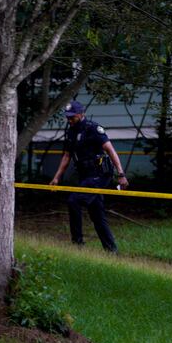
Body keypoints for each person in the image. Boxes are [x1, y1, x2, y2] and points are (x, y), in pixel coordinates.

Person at [50, 101, 129, 253]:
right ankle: (112, 250)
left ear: (81, 114)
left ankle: (77, 244)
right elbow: (67, 156)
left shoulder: (93, 129)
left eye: (72, 117)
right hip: (85, 175)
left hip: (99, 174)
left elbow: (110, 150)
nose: (69, 120)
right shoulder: (71, 131)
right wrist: (57, 177)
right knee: (97, 214)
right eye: (68, 117)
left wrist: (121, 174)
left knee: (74, 200)